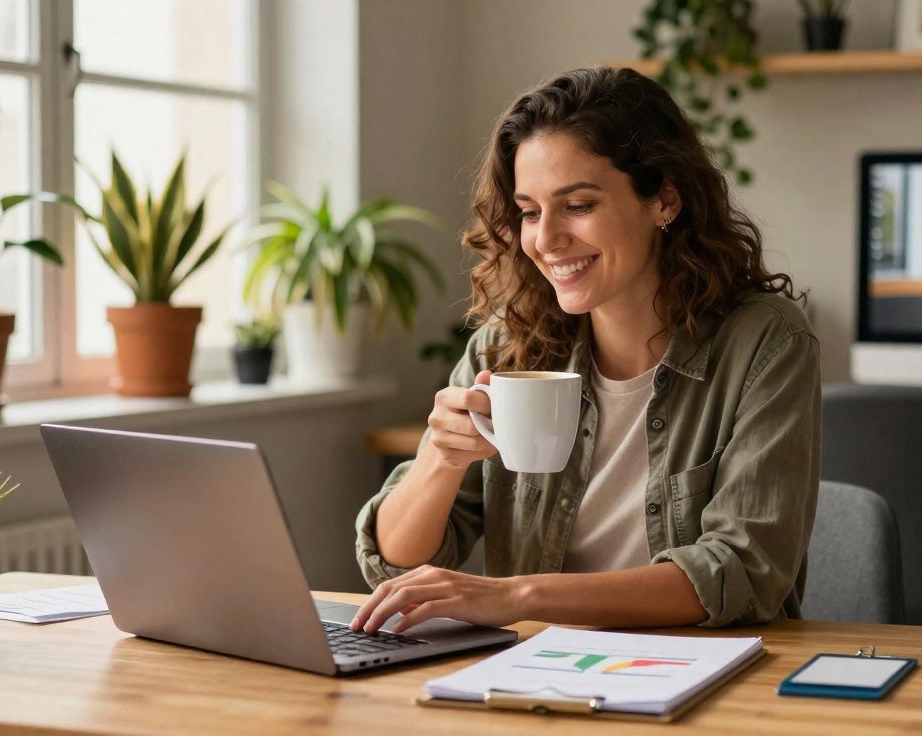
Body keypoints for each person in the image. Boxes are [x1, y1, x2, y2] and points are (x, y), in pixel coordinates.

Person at [351, 67, 821, 635]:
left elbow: (741, 571)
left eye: (577, 205)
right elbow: (393, 565)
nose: (545, 240)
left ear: (664, 199)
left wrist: (516, 596)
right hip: (536, 674)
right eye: (529, 211)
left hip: (706, 674)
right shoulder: (504, 347)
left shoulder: (765, 343)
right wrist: (439, 462)